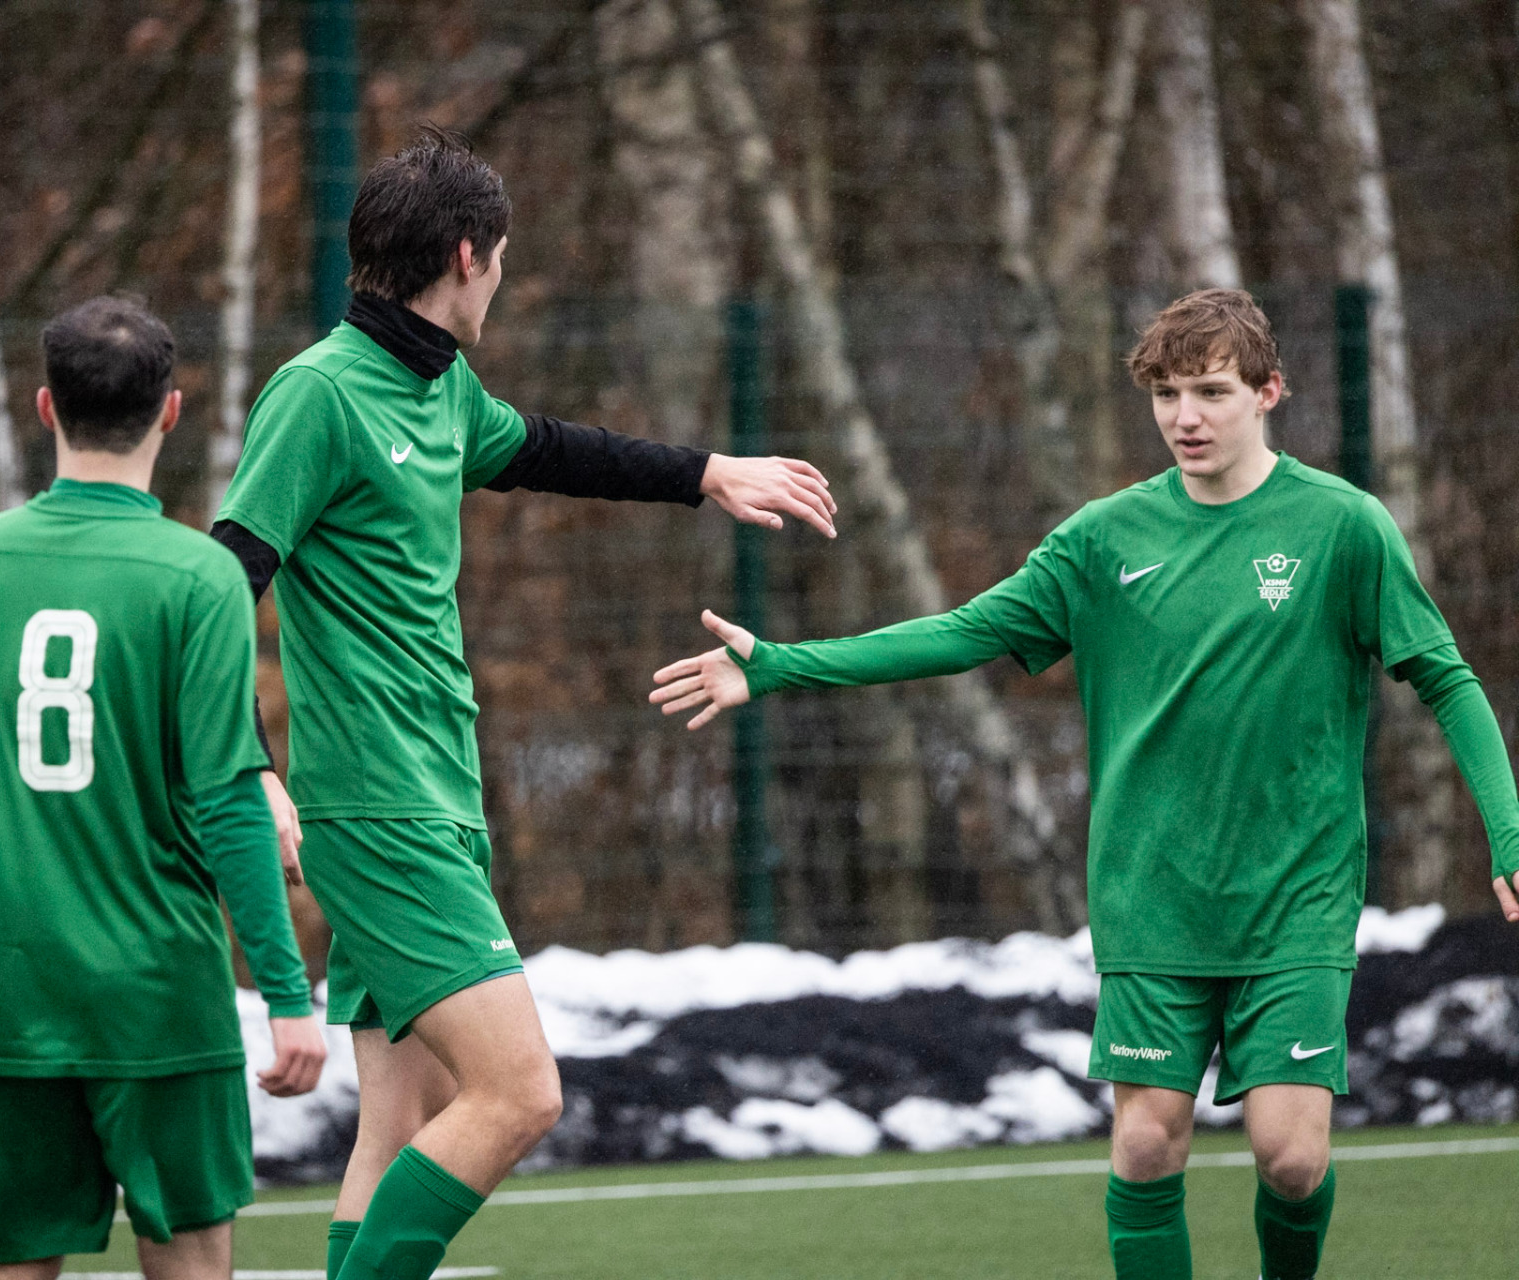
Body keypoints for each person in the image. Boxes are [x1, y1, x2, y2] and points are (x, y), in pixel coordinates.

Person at [649, 288, 1519, 1280]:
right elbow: (964, 632)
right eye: (1166, 393)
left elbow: (1445, 678)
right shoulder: (1104, 539)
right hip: (1150, 892)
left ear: (1270, 391)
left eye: (1212, 390)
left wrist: (1510, 832)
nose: (1185, 416)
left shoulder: (1343, 528)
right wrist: (780, 663)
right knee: (1147, 1144)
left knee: (1290, 1155)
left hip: (1296, 893)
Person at [211, 124, 838, 1280]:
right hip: (381, 813)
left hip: (431, 799)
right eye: (500, 257)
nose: (502, 275)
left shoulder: (441, 386)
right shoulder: (319, 394)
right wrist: (249, 763)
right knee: (519, 1092)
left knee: (404, 1122)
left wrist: (709, 473)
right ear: (465, 255)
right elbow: (219, 587)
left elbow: (550, 447)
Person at [0, 296, 327, 1280]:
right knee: (188, 1258)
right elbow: (230, 798)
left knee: (6, 1264)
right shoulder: (200, 576)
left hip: (8, 983)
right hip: (160, 993)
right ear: (171, 412)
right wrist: (284, 990)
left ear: (45, 407)